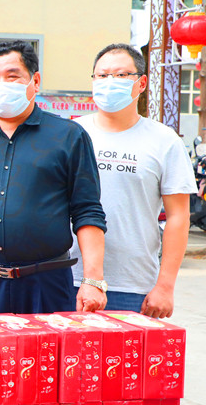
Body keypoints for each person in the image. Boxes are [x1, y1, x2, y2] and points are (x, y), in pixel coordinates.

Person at [0, 40, 108, 317]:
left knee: (46, 347)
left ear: (35, 81)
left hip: (46, 284)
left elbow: (87, 211)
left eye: (12, 76)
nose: (1, 84)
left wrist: (93, 280)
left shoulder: (68, 136)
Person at [69, 43, 195, 318]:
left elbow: (178, 217)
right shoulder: (71, 133)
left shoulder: (164, 141)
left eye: (121, 75)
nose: (109, 82)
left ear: (141, 83)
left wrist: (165, 286)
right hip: (68, 278)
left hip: (132, 285)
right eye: (102, 75)